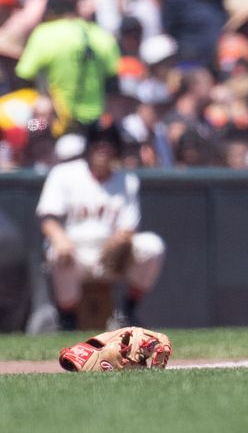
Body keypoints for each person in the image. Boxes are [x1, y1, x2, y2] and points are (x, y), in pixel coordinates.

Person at [37, 118, 166, 330]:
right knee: (57, 252)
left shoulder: (126, 180)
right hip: (75, 253)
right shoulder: (64, 173)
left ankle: (127, 310)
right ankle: (67, 318)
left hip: (109, 257)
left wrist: (120, 241)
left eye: (109, 143)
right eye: (98, 142)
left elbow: (129, 226)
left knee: (152, 246)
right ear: (88, 146)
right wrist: (60, 238)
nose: (103, 148)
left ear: (117, 149)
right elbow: (48, 217)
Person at [15, 0, 120, 135]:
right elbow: (113, 72)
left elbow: (24, 72)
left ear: (50, 13)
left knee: (25, 127)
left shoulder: (44, 33)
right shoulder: (102, 35)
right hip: (97, 122)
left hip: (56, 123)